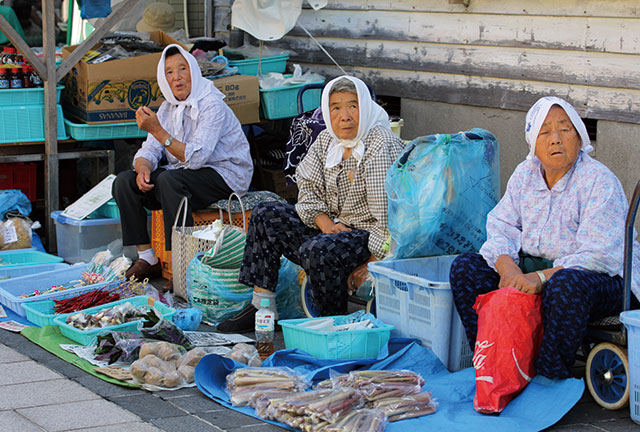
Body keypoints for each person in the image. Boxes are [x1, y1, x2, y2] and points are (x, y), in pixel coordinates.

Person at [449, 96, 640, 379]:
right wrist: (507, 267)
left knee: (566, 285)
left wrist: (539, 279)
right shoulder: (524, 175)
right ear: (532, 142)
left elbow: (598, 255)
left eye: (565, 129)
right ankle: (493, 362)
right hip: (533, 271)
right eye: (545, 131)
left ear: (579, 136)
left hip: (604, 279)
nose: (556, 140)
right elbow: (501, 225)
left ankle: (549, 376)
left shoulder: (598, 180)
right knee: (466, 267)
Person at [217, 75, 404, 333]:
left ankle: (333, 323)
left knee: (318, 249)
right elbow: (307, 188)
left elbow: (389, 215)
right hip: (334, 229)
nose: (345, 116)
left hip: (368, 237)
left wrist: (373, 263)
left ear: (366, 107)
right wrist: (325, 224)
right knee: (265, 213)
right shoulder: (328, 140)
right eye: (335, 107)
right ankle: (262, 308)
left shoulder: (379, 143)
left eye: (353, 105)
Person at [112, 44, 253, 283]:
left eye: (182, 69)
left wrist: (157, 130)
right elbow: (150, 150)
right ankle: (148, 258)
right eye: (169, 72)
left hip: (225, 174)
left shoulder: (211, 104)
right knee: (124, 181)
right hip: (185, 175)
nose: (176, 77)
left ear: (193, 71)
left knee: (170, 180)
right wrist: (143, 168)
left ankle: (182, 265)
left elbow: (197, 158)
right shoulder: (168, 107)